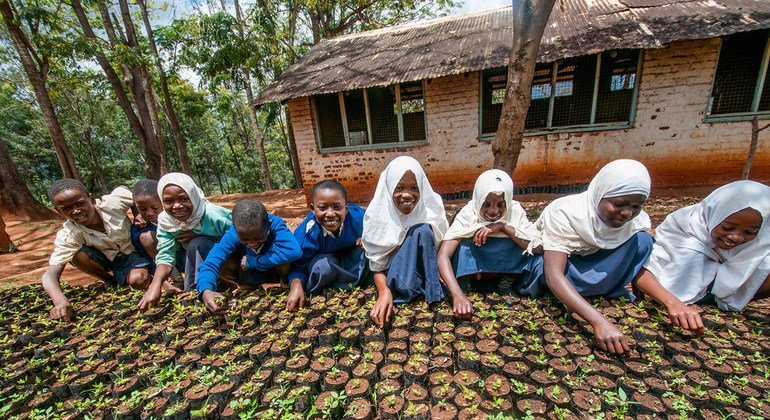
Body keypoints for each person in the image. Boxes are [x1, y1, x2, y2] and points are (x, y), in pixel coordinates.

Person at [516, 159, 654, 354]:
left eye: (637, 206)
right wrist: (599, 321)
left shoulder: (633, 220)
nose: (627, 213)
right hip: (558, 274)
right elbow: (553, 275)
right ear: (600, 193)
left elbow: (639, 267)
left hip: (591, 272)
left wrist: (673, 303)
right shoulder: (566, 212)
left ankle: (592, 293)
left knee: (643, 240)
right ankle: (572, 297)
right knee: (542, 266)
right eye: (618, 204)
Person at [635, 180, 770, 332]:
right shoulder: (684, 228)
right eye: (728, 227)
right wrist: (673, 303)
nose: (736, 237)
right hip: (669, 300)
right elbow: (641, 271)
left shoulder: (760, 242)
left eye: (749, 232)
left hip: (714, 302)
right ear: (715, 214)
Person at [42, 179, 153, 321]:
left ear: (92, 199)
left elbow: (130, 193)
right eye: (66, 208)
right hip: (117, 261)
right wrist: (60, 302)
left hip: (137, 246)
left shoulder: (111, 204)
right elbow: (50, 274)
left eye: (80, 203)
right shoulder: (68, 234)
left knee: (149, 237)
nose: (75, 211)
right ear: (58, 211)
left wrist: (138, 212)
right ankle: (111, 281)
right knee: (77, 256)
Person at [438, 169, 540, 317]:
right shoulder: (468, 213)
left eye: (500, 205)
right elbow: (443, 255)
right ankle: (466, 288)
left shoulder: (515, 212)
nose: (493, 211)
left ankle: (504, 286)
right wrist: (458, 295)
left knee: (522, 241)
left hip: (501, 270)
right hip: (474, 274)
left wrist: (503, 227)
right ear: (478, 200)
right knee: (461, 245)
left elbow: (537, 248)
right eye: (486, 204)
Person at [362, 156, 449, 327]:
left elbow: (440, 249)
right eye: (399, 187)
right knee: (421, 230)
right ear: (389, 188)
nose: (407, 195)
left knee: (423, 230)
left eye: (414, 188)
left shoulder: (432, 209)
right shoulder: (377, 216)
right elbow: (377, 266)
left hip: (423, 275)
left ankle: (431, 293)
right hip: (397, 278)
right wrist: (383, 292)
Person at [137, 173, 232, 309]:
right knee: (194, 247)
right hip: (197, 259)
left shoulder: (212, 215)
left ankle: (209, 286)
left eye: (184, 199)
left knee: (197, 243)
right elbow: (165, 255)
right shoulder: (166, 221)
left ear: (193, 196)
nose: (177, 206)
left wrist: (202, 234)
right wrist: (155, 284)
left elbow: (241, 235)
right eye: (169, 201)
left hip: (230, 259)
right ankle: (195, 292)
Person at [197, 199, 302, 314]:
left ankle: (285, 286)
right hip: (249, 274)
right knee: (224, 260)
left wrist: (253, 262)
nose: (252, 243)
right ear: (236, 230)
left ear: (268, 225)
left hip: (274, 271)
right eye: (245, 239)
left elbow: (294, 251)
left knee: (285, 253)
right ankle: (245, 290)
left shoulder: (275, 224)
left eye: (258, 238)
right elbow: (212, 261)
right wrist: (205, 290)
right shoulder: (233, 233)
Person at [286, 180, 365, 311]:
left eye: (337, 207)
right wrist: (295, 286)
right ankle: (330, 290)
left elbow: (377, 230)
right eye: (322, 208)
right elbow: (298, 267)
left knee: (369, 253)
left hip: (350, 260)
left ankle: (343, 287)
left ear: (346, 208)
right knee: (323, 267)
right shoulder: (308, 233)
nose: (330, 214)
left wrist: (367, 238)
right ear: (312, 209)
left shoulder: (358, 217)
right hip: (326, 267)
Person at [131, 179, 184, 286]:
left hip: (186, 256)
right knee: (147, 238)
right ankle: (177, 278)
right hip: (164, 264)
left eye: (155, 208)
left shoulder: (180, 213)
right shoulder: (141, 227)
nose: (149, 213)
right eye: (143, 209)